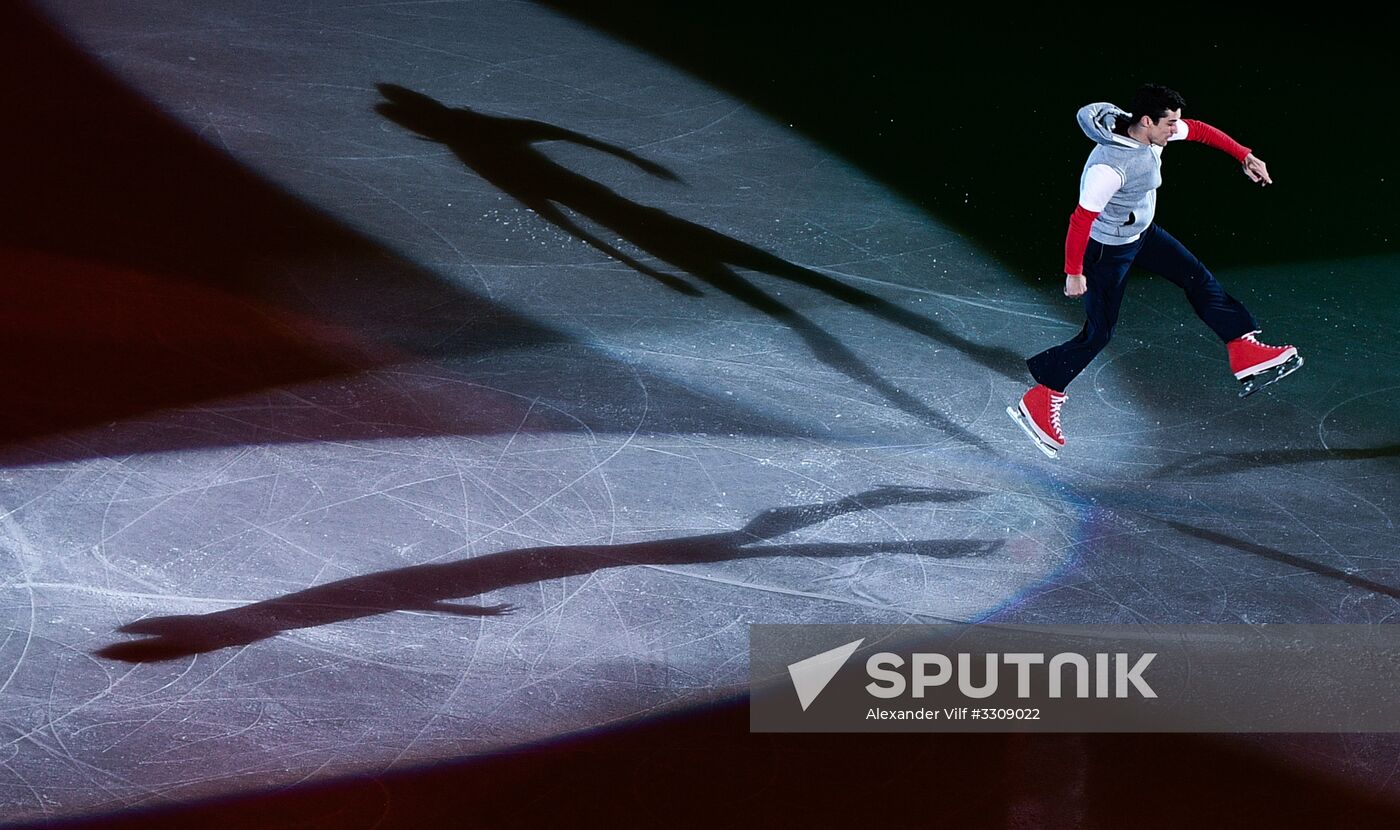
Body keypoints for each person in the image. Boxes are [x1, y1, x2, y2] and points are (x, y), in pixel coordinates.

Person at [1009, 84, 1301, 458]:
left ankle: (1242, 348)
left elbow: (1198, 129)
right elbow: (1081, 220)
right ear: (1147, 122)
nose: (1176, 129)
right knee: (1100, 332)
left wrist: (1244, 155)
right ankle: (1042, 395)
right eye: (1170, 123)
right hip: (1107, 251)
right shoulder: (1108, 167)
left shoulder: (1153, 132)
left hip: (1143, 234)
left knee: (1197, 277)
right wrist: (1074, 272)